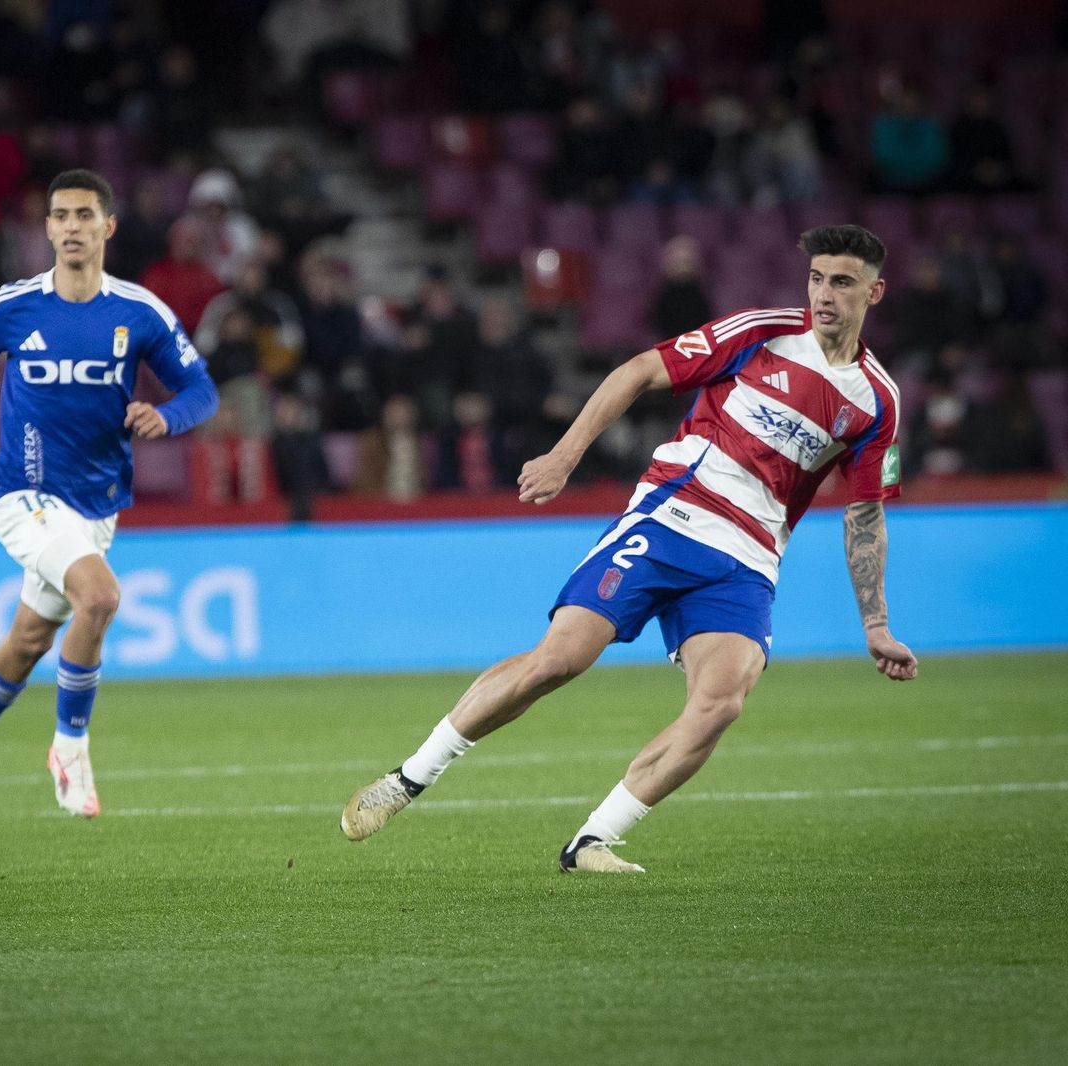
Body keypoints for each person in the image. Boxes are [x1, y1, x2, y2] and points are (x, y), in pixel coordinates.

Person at [340, 225, 918, 872]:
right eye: (816, 278)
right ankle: (409, 778)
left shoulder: (878, 402)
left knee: (722, 701)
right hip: (674, 515)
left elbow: (865, 514)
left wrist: (876, 624)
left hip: (749, 560)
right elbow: (641, 369)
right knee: (559, 660)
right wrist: (563, 457)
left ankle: (592, 840)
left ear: (875, 291)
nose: (823, 295)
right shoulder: (762, 332)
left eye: (841, 282)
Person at [0, 169, 218, 822]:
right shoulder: (15, 306)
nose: (71, 226)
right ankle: (70, 746)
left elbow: (202, 391)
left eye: (83, 215)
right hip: (24, 493)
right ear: (46, 229)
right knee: (99, 596)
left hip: (97, 502)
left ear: (108, 227)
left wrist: (166, 417)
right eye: (60, 215)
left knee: (30, 638)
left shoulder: (140, 312)